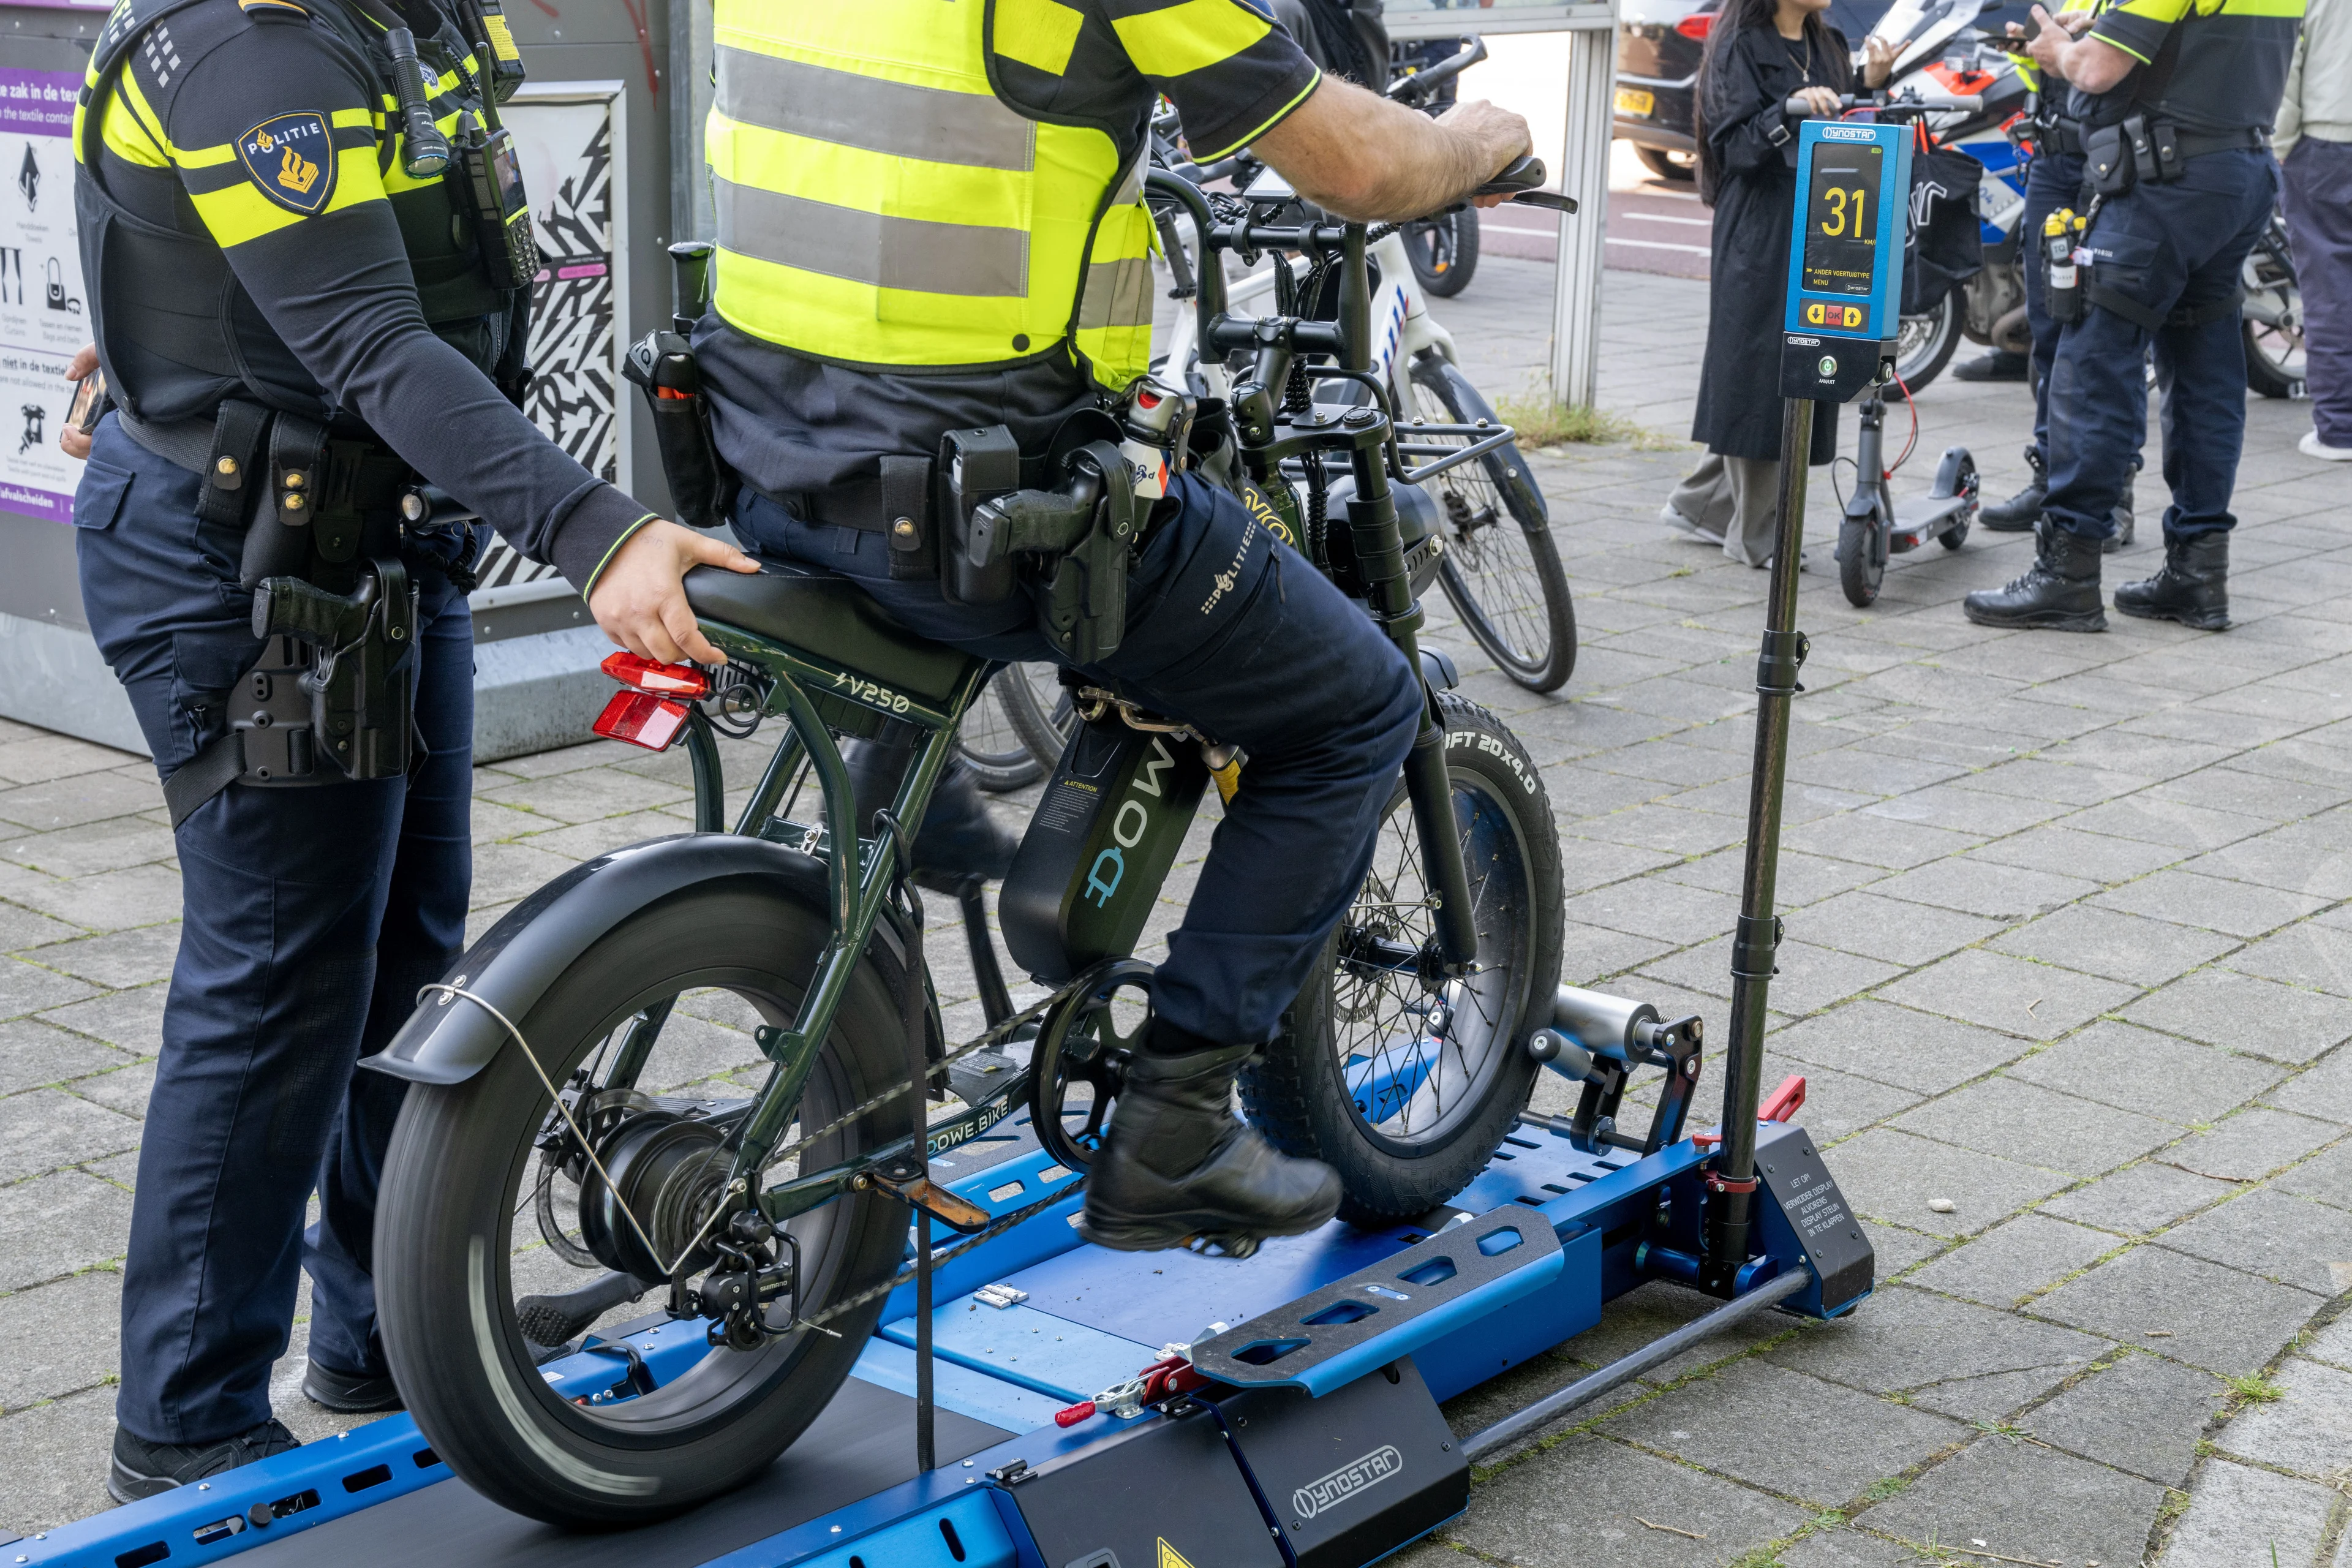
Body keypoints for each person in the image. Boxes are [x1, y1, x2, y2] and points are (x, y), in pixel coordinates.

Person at [689, 0, 1529, 1253]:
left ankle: (909, 812)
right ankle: (1174, 1128)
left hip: (768, 464)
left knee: (968, 583)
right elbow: (1358, 165)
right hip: (985, 509)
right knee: (1357, 708)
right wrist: (1476, 143)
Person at [69, 0, 755, 1499]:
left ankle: (388, 1335)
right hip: (243, 567)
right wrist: (600, 534)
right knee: (277, 977)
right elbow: (366, 332)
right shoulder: (258, 41)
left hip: (377, 531)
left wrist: (163, 317)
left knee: (408, 953)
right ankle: (187, 1426)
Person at [1964, 0, 2303, 632]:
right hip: (2238, 174)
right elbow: (2203, 51)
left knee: (2093, 364)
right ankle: (2198, 575)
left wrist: (2059, 52)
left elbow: (2095, 71)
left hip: (2166, 180)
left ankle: (2067, 574)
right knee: (2205, 370)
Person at [1659, 0, 1893, 568]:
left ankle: (1701, 506)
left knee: (1804, 361)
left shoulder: (1826, 41)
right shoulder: (1740, 44)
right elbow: (1733, 146)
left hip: (1819, 218)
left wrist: (1869, 80)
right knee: (1761, 371)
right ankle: (1757, 536)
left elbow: (1842, 117)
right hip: (1760, 225)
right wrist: (1787, 109)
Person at [1978, 10, 2139, 552]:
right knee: (2048, 329)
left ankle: (2113, 494)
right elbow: (2051, 72)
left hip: (2109, 157)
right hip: (2052, 157)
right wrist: (2033, 52)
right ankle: (2051, 478)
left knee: (2107, 335)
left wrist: (2077, 40)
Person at [2278, 0, 2351, 461]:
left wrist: (2280, 143)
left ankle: (2341, 428)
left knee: (2331, 288)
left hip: (2329, 142)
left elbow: (2287, 58)